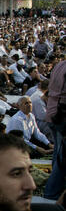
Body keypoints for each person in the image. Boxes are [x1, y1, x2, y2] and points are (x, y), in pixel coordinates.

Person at [44, 60, 66, 200]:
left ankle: (53, 187)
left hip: (53, 113)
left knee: (58, 154)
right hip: (62, 116)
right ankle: (52, 193)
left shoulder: (60, 65)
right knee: (62, 158)